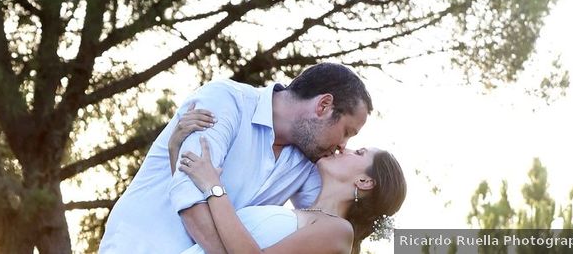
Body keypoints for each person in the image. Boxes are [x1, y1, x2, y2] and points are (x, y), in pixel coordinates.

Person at [99, 63, 373, 254]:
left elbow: (324, 225)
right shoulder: (226, 101)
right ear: (323, 106)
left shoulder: (311, 160)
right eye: (346, 131)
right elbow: (189, 197)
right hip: (142, 245)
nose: (343, 145)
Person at [174, 132, 406, 254]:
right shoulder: (300, 214)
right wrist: (176, 151)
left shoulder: (340, 231)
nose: (345, 147)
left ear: (365, 181)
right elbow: (210, 240)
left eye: (359, 153)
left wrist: (214, 187)